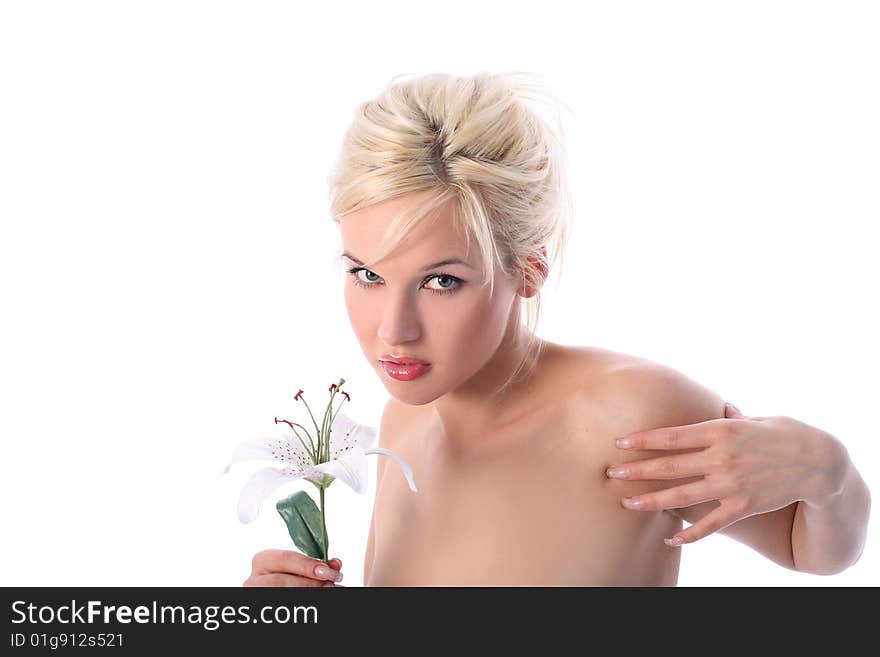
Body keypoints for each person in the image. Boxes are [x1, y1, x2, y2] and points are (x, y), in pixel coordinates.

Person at [243, 71, 870, 587]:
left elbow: (808, 549)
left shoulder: (624, 416)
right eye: (368, 275)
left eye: (441, 281)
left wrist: (829, 472)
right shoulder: (402, 423)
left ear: (530, 268)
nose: (394, 331)